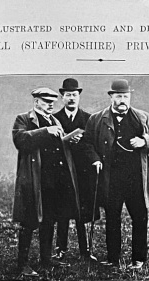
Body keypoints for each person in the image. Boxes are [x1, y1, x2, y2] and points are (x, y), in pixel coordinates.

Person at [81, 79, 149, 270]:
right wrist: (95, 159)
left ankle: (138, 259)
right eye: (118, 96)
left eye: (126, 96)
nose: (122, 100)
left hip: (136, 178)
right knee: (112, 218)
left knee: (140, 217)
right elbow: (87, 143)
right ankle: (112, 258)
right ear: (111, 97)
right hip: (111, 178)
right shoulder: (97, 119)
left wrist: (144, 141)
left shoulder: (143, 118)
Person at [11, 86, 80, 278]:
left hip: (55, 179)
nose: (51, 105)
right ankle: (22, 264)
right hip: (35, 178)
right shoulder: (24, 119)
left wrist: (69, 140)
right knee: (29, 221)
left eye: (53, 102)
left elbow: (58, 145)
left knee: (49, 219)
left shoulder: (55, 121)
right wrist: (45, 131)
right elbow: (20, 140)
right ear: (36, 101)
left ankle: (46, 259)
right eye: (46, 101)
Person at [53, 78, 94, 260]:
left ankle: (85, 251)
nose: (71, 98)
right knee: (62, 211)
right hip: (62, 172)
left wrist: (81, 142)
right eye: (68, 95)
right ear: (62, 97)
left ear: (79, 97)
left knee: (81, 213)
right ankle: (61, 249)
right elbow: (50, 145)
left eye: (74, 95)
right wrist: (65, 142)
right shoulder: (54, 119)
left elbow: (92, 143)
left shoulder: (88, 119)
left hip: (82, 172)